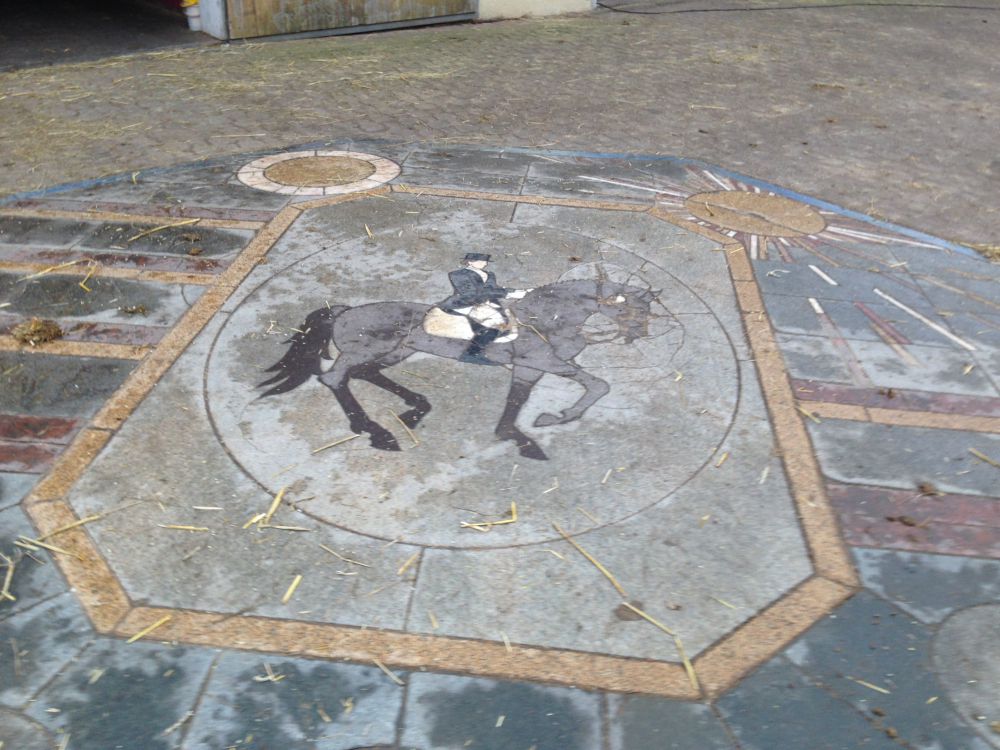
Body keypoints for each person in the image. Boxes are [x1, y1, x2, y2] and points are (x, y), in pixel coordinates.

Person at [439, 253, 529, 365]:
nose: (484, 264)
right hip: (463, 304)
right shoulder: (458, 275)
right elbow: (471, 293)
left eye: (485, 261)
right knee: (492, 326)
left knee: (505, 324)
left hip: (484, 304)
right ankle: (470, 354)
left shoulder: (489, 274)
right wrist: (508, 294)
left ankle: (484, 341)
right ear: (469, 262)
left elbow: (494, 289)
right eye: (480, 261)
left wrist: (518, 291)